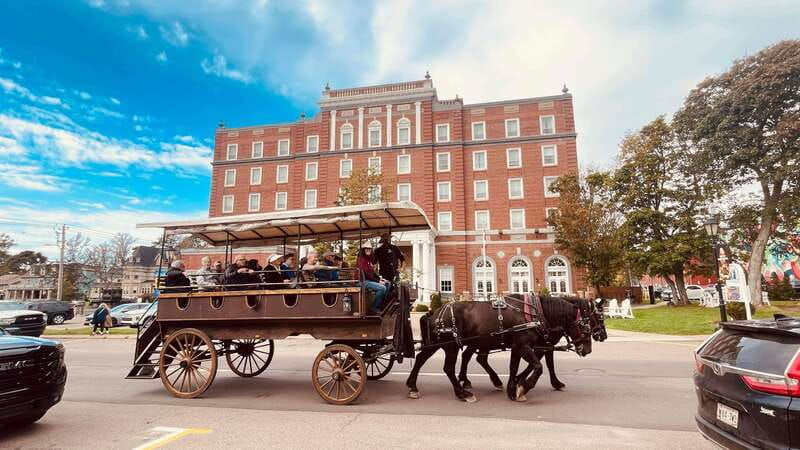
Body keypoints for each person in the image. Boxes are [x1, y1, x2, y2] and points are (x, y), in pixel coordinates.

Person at [356, 243, 387, 314]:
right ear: (363, 250)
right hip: (362, 281)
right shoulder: (361, 259)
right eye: (366, 249)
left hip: (367, 280)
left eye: (369, 249)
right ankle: (373, 307)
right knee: (382, 288)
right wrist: (378, 281)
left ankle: (381, 306)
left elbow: (372, 273)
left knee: (387, 284)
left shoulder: (368, 260)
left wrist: (380, 279)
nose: (368, 250)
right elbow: (365, 274)